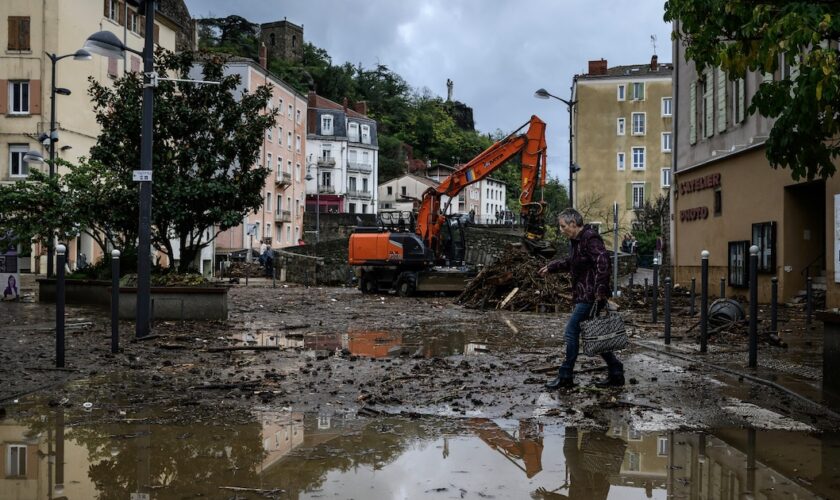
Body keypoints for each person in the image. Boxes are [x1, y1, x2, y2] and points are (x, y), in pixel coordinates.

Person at [538, 208, 624, 389]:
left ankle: (566, 375)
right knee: (594, 334)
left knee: (571, 331)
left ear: (573, 224)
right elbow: (572, 262)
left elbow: (603, 262)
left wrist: (600, 291)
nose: (561, 230)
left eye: (563, 226)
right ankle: (616, 371)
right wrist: (552, 267)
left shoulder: (590, 238)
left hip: (591, 295)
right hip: (585, 294)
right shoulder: (576, 241)